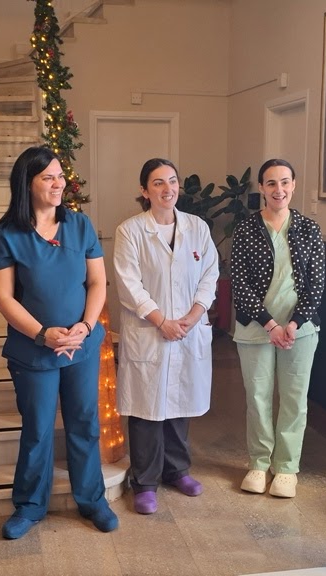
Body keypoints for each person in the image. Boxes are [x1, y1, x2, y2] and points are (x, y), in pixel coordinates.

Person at [0, 146, 118, 539]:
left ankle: (92, 500)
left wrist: (86, 326)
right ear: (27, 183)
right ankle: (29, 506)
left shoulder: (80, 225)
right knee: (38, 428)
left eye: (61, 176)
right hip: (33, 350)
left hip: (81, 345)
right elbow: (3, 298)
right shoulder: (7, 233)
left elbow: (97, 282)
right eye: (48, 177)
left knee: (84, 423)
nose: (59, 183)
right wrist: (42, 334)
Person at [113, 158, 219, 515]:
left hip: (188, 329)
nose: (167, 188)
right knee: (147, 409)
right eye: (158, 183)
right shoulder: (130, 231)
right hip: (150, 331)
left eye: (172, 181)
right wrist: (162, 321)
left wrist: (192, 316)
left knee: (179, 404)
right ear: (144, 191)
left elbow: (210, 275)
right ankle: (145, 483)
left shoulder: (197, 227)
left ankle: (177, 471)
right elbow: (129, 284)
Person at [230, 158, 324, 499]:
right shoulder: (246, 229)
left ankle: (286, 468)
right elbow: (239, 283)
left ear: (294, 185)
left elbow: (316, 284)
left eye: (285, 182)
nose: (278, 189)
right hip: (256, 328)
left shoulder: (309, 229)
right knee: (258, 398)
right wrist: (270, 324)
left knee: (294, 399)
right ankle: (258, 463)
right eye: (271, 183)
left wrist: (293, 324)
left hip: (300, 330)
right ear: (261, 188)